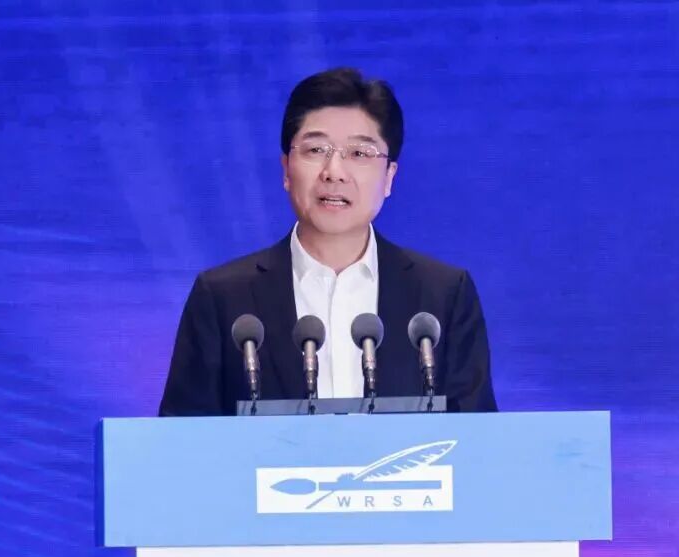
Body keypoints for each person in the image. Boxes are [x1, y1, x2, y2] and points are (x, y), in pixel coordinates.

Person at [159, 67, 496, 416]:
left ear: (389, 178)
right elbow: (181, 437)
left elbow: (478, 435)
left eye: (359, 153)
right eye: (316, 149)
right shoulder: (222, 297)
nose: (334, 171)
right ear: (286, 170)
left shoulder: (443, 295)